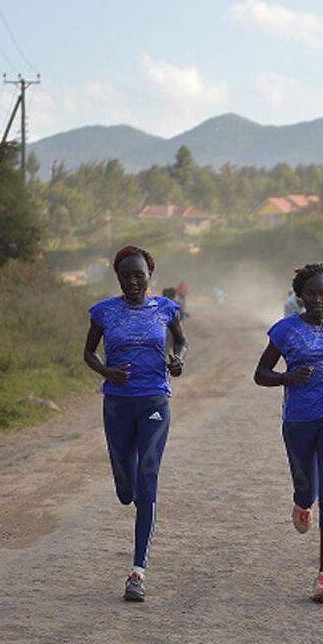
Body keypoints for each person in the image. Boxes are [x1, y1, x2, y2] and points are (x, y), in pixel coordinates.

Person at [254, 263, 323, 605]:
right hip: (298, 419)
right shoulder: (285, 331)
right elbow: (261, 374)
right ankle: (303, 503)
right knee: (308, 488)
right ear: (300, 296)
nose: (319, 300)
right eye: (312, 294)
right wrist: (287, 378)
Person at [83, 245, 187, 602]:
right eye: (125, 275)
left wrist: (178, 362)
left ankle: (138, 572)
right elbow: (88, 352)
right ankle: (128, 491)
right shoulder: (104, 312)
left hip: (155, 400)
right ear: (117, 277)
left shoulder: (166, 309)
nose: (132, 281)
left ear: (149, 275)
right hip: (117, 405)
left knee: (147, 481)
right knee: (126, 491)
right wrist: (105, 370)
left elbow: (182, 341)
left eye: (138, 274)